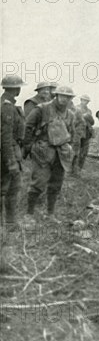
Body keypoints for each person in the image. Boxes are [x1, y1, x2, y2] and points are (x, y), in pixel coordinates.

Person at [22, 86, 77, 224]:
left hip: (61, 153)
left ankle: (50, 214)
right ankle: (29, 214)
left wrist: (70, 149)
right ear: (56, 95)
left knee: (56, 184)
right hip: (43, 152)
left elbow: (72, 133)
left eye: (68, 97)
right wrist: (29, 146)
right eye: (62, 96)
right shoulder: (42, 109)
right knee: (38, 182)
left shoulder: (70, 114)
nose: (65, 99)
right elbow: (27, 127)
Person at [1, 75, 26, 227]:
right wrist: (10, 161)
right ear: (15, 89)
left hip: (9, 151)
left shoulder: (6, 104)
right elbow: (6, 137)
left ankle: (9, 223)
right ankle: (9, 223)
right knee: (11, 187)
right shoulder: (7, 106)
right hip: (7, 152)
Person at [73, 94, 95, 174]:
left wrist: (89, 117)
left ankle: (79, 168)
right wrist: (83, 116)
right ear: (81, 100)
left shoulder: (89, 111)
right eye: (84, 100)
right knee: (75, 151)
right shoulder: (75, 108)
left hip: (87, 132)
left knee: (84, 152)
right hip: (77, 132)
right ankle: (73, 169)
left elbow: (92, 122)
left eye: (87, 101)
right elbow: (73, 120)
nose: (85, 102)